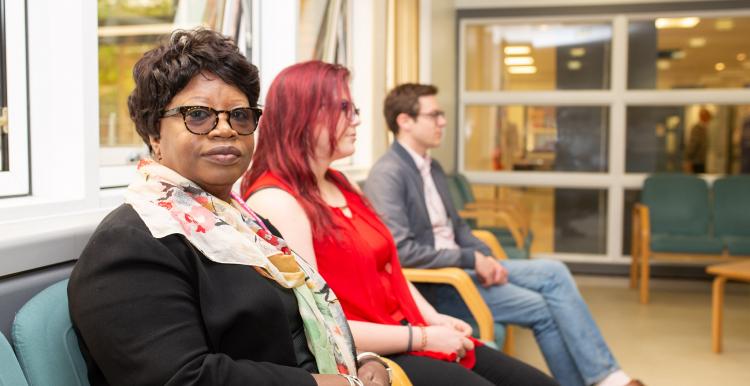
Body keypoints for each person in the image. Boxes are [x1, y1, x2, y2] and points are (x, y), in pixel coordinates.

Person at [68, 29, 390, 386]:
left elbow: (291, 331)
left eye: (240, 115)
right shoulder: (133, 242)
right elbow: (184, 379)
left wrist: (362, 362)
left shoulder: (246, 223)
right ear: (154, 134)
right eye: (198, 114)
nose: (225, 130)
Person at [241, 61, 558, 386]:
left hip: (406, 332)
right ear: (303, 115)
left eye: (355, 109)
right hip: (372, 353)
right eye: (344, 108)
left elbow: (391, 269)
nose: (357, 120)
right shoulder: (277, 202)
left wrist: (435, 321)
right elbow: (320, 325)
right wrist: (422, 337)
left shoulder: (341, 183)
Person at [364, 83, 645, 386]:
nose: (443, 122)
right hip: (440, 282)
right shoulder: (388, 174)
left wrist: (486, 257)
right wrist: (473, 258)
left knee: (554, 271)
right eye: (435, 115)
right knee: (542, 308)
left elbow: (458, 228)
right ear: (405, 121)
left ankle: (608, 377)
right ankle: (601, 379)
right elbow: (402, 251)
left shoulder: (432, 168)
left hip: (462, 266)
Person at [684, 107, 712, 173]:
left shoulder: (704, 129)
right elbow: (693, 145)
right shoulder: (697, 129)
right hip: (696, 162)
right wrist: (688, 159)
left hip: (701, 161)